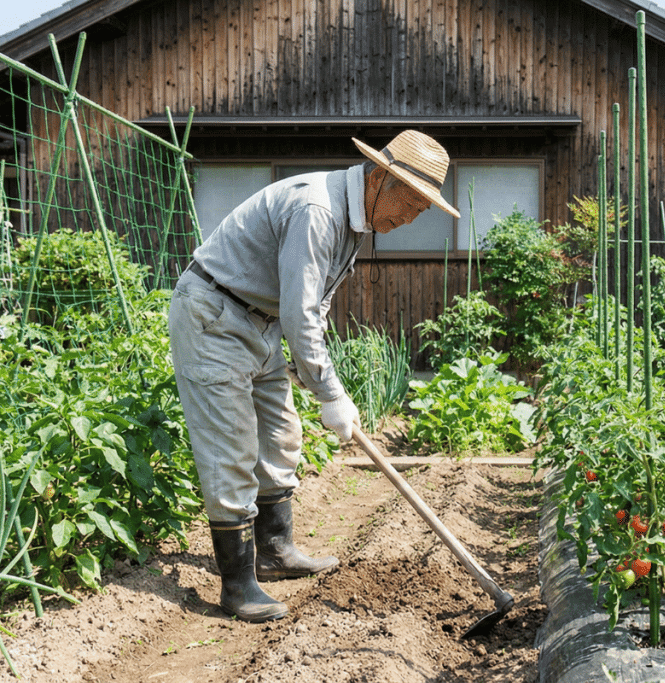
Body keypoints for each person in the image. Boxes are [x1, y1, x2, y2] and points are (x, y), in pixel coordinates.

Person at [168, 130, 460, 623]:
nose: (410, 219)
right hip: (215, 317)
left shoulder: (353, 220)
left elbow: (315, 305)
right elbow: (300, 310)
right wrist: (331, 391)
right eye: (410, 204)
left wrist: (314, 374)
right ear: (382, 179)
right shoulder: (318, 211)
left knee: (282, 436)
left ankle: (275, 552)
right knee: (232, 449)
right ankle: (238, 587)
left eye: (421, 212)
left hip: (261, 323)